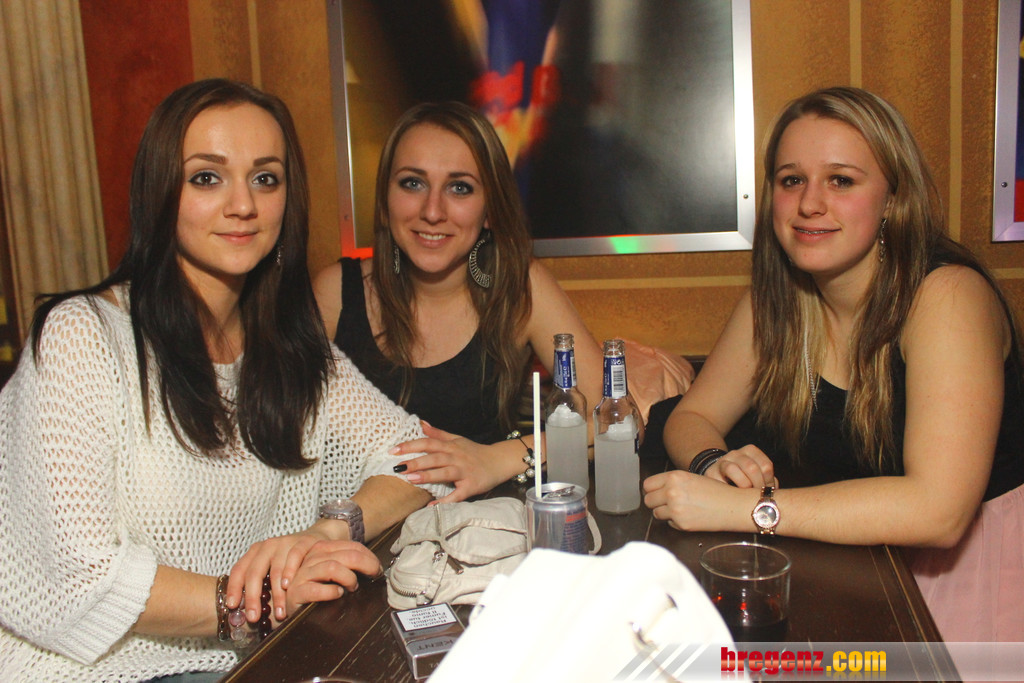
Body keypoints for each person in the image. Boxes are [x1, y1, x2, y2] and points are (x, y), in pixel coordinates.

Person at [0, 79, 447, 682]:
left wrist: (327, 529)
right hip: (92, 670)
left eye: (265, 178)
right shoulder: (84, 335)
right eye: (207, 177)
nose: (243, 204)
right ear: (160, 193)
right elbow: (80, 577)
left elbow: (420, 460)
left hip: (251, 657)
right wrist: (255, 601)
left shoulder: (291, 347)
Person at [645, 86, 1024, 644]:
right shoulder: (776, 299)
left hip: (968, 582)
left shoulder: (947, 297)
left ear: (893, 198)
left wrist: (748, 508)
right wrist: (713, 464)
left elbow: (939, 512)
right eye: (791, 180)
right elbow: (691, 415)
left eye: (841, 180)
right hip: (849, 565)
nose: (809, 203)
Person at [315, 101, 693, 503]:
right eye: (412, 183)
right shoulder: (335, 292)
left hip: (476, 528)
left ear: (489, 209)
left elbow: (619, 423)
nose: (432, 211)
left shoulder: (518, 287)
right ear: (385, 199)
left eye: (460, 187)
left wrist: (498, 459)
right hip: (351, 524)